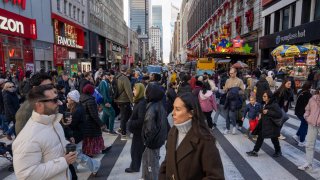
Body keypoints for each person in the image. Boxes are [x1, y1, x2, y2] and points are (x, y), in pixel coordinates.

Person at [12, 85, 77, 179]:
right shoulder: (28, 137)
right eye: (54, 100)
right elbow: (26, 174)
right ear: (39, 105)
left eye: (58, 98)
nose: (60, 103)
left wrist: (67, 146)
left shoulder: (54, 122)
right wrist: (64, 162)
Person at [159, 92, 224, 179]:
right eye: (173, 108)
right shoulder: (173, 132)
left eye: (177, 109)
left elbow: (216, 177)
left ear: (191, 113)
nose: (172, 113)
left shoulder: (205, 140)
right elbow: (167, 162)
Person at [66, 90, 101, 175]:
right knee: (72, 154)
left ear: (73, 100)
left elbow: (71, 124)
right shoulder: (76, 107)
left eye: (68, 98)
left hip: (76, 135)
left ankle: (95, 165)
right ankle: (73, 170)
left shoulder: (77, 110)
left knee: (77, 155)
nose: (67, 99)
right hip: (78, 134)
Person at [141, 83, 167, 180]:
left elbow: (150, 129)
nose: (145, 92)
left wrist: (146, 141)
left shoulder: (152, 108)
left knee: (152, 165)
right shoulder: (159, 104)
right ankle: (145, 177)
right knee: (146, 160)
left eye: (146, 90)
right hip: (157, 140)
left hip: (152, 142)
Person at [246, 90, 282, 157]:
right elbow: (263, 111)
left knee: (274, 139)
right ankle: (255, 151)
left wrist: (268, 112)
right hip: (264, 124)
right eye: (263, 96)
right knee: (260, 137)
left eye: (265, 96)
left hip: (271, 125)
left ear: (269, 97)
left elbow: (279, 114)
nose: (263, 97)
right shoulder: (265, 103)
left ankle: (278, 151)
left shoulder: (274, 104)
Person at [80, 84, 111, 157]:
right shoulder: (90, 100)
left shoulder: (81, 98)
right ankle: (91, 151)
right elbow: (94, 114)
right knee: (95, 136)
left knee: (89, 137)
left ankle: (96, 149)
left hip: (85, 121)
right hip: (91, 122)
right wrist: (101, 124)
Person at [126, 83, 147, 173]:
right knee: (137, 150)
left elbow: (141, 120)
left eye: (135, 89)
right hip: (138, 131)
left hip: (139, 131)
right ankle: (135, 166)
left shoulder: (141, 103)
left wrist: (130, 123)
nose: (133, 91)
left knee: (135, 150)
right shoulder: (139, 101)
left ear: (140, 91)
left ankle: (134, 167)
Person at [298, 87, 320, 171]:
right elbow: (307, 109)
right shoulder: (313, 99)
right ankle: (308, 164)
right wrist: (307, 117)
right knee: (309, 145)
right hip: (312, 124)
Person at [223, 68, 245, 135]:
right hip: (227, 99)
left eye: (232, 73)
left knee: (231, 115)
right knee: (226, 115)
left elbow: (243, 91)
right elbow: (225, 90)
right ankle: (227, 128)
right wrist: (225, 90)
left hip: (234, 100)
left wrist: (235, 92)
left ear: (235, 73)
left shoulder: (239, 81)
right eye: (230, 73)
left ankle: (234, 127)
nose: (231, 74)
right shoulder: (227, 80)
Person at [115, 65, 134, 140]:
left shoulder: (116, 77)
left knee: (128, 114)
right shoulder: (125, 78)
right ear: (127, 71)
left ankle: (121, 128)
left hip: (118, 99)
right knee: (124, 116)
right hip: (124, 100)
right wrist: (132, 101)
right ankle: (123, 134)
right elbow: (128, 91)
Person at [293, 82, 312, 147]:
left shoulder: (300, 92)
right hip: (303, 113)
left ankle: (297, 135)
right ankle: (301, 141)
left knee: (303, 124)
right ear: (310, 88)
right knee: (305, 126)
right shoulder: (308, 95)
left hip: (298, 111)